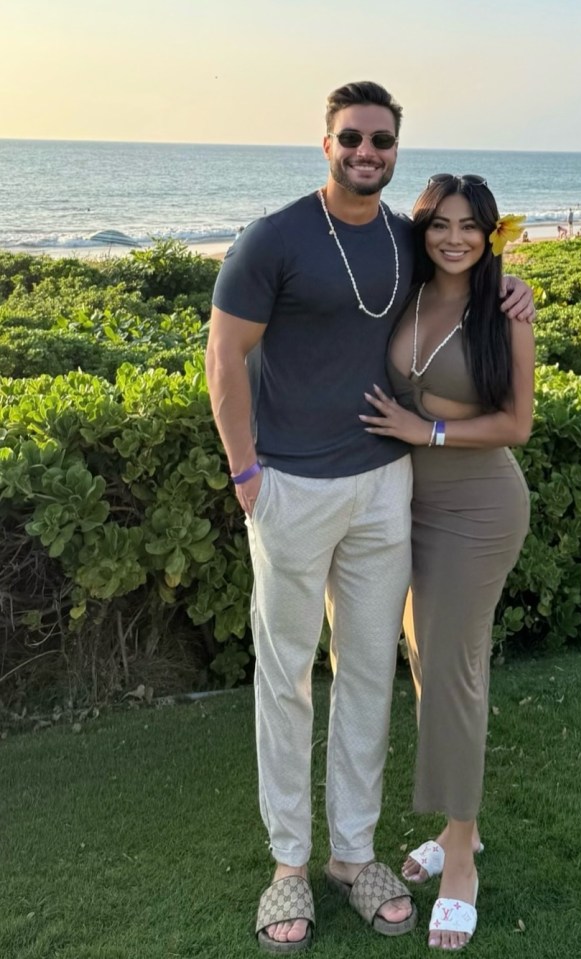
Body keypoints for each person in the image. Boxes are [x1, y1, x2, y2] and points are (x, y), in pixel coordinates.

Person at [205, 81, 535, 953]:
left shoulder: (407, 239)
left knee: (366, 672)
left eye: (382, 140)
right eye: (351, 137)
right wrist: (245, 474)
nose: (366, 151)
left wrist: (517, 290)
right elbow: (223, 353)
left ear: (396, 149)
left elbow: (470, 274)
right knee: (285, 673)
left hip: (389, 485)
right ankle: (288, 864)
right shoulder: (273, 239)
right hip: (291, 488)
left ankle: (353, 854)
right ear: (326, 143)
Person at [360, 174, 534, 948]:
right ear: (420, 230)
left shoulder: (505, 307)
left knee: (452, 676)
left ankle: (460, 853)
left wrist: (422, 428)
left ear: (491, 234)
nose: (455, 238)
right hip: (407, 505)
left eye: (471, 226)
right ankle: (457, 822)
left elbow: (517, 423)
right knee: (434, 669)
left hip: (478, 506)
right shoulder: (403, 293)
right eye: (441, 224)